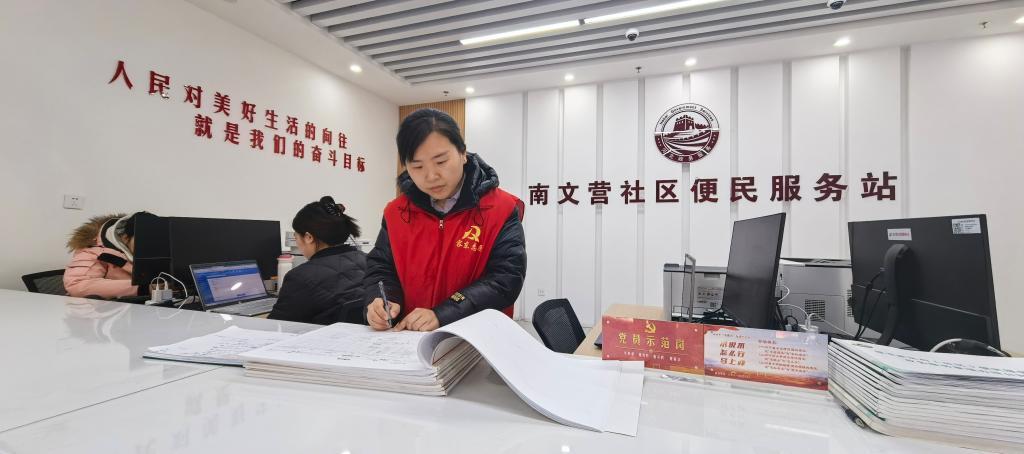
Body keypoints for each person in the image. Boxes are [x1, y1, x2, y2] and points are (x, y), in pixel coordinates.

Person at [365, 108, 526, 332]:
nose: (431, 176)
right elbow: (381, 267)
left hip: (477, 338)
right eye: (417, 166)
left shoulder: (501, 208)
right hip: (409, 339)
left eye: (440, 161)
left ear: (462, 153)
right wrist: (382, 300)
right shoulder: (396, 212)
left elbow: (505, 280)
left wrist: (444, 313)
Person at [269, 196, 368, 325]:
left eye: (296, 236)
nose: (297, 242)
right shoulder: (369, 260)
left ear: (308, 237)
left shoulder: (300, 277)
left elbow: (274, 326)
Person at [64, 212, 148, 298]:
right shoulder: (93, 252)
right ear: (125, 237)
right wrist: (143, 288)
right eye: (144, 239)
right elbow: (77, 285)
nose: (149, 244)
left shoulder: (150, 253)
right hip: (105, 305)